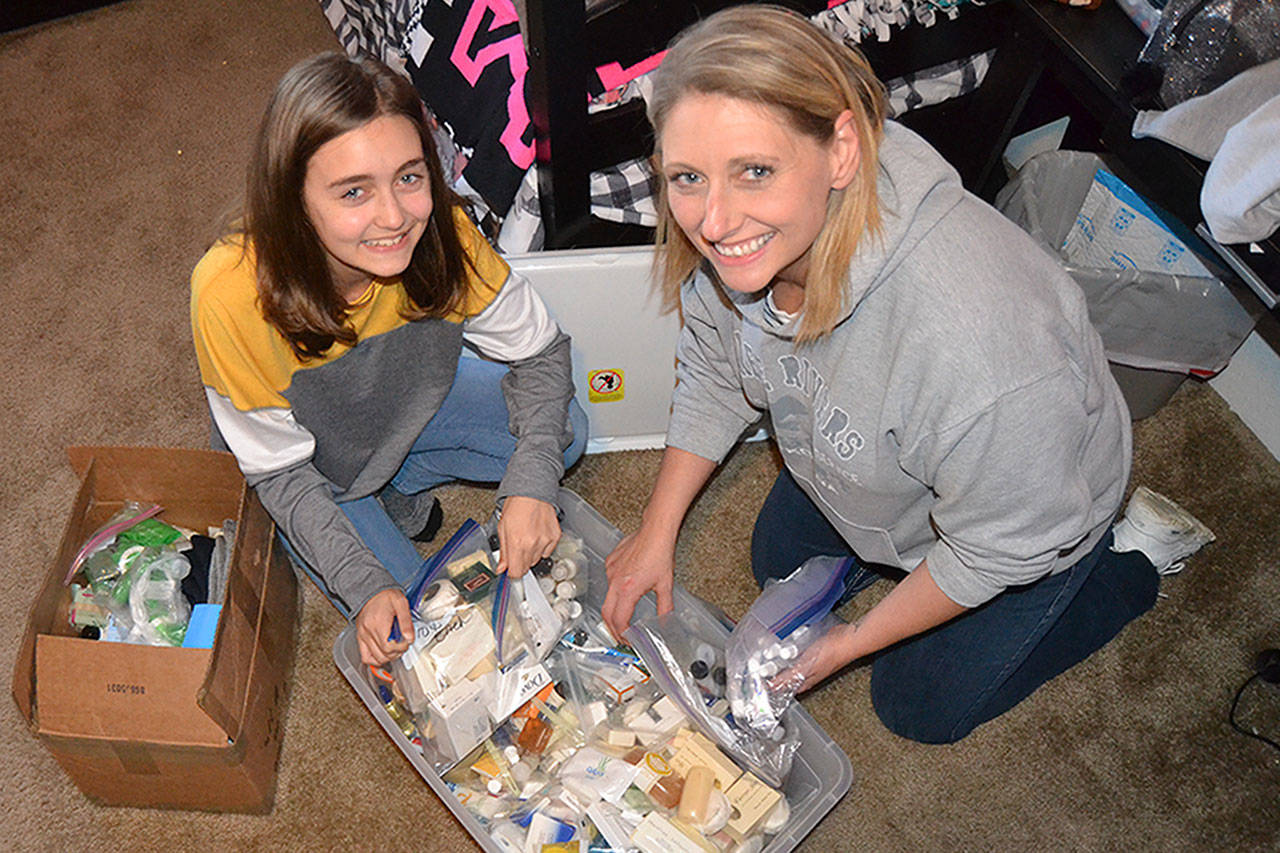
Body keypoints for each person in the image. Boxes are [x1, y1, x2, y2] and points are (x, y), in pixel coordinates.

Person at [601, 5, 1215, 744]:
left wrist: (854, 642)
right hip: (887, 461)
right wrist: (656, 528)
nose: (715, 220)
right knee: (776, 561)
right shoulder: (751, 245)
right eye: (688, 178)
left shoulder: (980, 350)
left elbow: (997, 544)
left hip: (1031, 510)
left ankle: (1129, 567)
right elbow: (716, 364)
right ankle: (880, 546)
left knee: (917, 706)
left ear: (841, 151)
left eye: (754, 171)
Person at [191, 52, 587, 668]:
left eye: (409, 177)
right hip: (313, 467)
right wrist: (364, 584)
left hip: (403, 409)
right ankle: (373, 499)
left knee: (564, 437)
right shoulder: (228, 294)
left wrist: (533, 482)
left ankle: (393, 482)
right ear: (292, 199)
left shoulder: (444, 235)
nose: (395, 217)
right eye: (354, 191)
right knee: (426, 630)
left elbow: (540, 349)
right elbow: (280, 475)